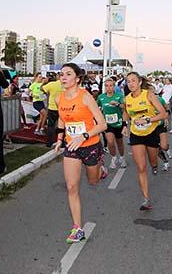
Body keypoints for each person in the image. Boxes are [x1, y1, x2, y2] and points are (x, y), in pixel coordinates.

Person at [54, 63, 107, 243]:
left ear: (77, 79)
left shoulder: (86, 97)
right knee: (71, 187)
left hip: (90, 144)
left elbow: (102, 124)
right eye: (61, 74)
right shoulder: (59, 98)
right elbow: (62, 119)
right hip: (72, 146)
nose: (63, 77)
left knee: (93, 181)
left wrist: (83, 136)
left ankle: (101, 167)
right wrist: (60, 140)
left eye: (68, 74)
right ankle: (77, 228)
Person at [123, 72, 166, 210]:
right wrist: (125, 125)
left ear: (140, 82)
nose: (131, 84)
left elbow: (163, 113)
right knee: (141, 167)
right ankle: (146, 199)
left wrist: (148, 119)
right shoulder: (127, 99)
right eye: (128, 81)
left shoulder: (148, 95)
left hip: (151, 132)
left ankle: (155, 165)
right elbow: (126, 112)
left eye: (133, 80)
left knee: (152, 161)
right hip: (136, 135)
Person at [97, 77, 126, 169]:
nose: (108, 88)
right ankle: (114, 158)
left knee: (119, 142)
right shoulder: (101, 97)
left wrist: (117, 104)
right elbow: (97, 107)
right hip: (108, 124)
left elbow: (125, 107)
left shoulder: (119, 96)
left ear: (114, 87)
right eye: (106, 86)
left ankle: (122, 157)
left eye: (110, 86)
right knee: (110, 142)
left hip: (118, 123)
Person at [148, 84, 172, 172]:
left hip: (160, 125)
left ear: (154, 92)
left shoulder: (160, 99)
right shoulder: (145, 101)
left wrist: (166, 118)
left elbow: (166, 108)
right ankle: (166, 162)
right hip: (150, 127)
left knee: (163, 145)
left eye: (151, 91)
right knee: (156, 148)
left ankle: (167, 148)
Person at [42, 72, 63, 147]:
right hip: (62, 108)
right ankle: (62, 142)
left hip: (52, 108)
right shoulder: (65, 85)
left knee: (51, 125)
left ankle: (49, 142)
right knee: (62, 126)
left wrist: (45, 82)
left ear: (58, 76)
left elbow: (42, 89)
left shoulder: (52, 84)